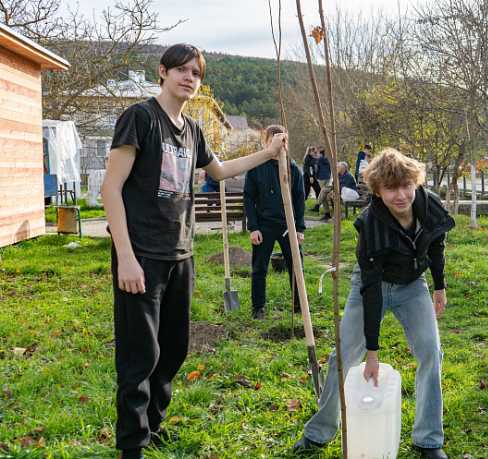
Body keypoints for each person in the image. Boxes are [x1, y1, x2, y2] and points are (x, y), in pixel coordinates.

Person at [101, 43, 286, 459]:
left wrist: (268, 154)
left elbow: (219, 171)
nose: (189, 78)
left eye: (196, 73)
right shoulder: (140, 118)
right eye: (181, 70)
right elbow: (110, 188)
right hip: (141, 254)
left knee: (174, 347)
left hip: (179, 253)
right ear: (162, 73)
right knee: (140, 354)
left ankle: (153, 425)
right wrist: (125, 257)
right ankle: (132, 445)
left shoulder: (192, 129)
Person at [293, 148, 455, 459]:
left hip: (412, 285)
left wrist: (439, 286)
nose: (401, 195)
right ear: (378, 191)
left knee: (431, 351)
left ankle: (429, 440)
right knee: (341, 357)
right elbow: (371, 289)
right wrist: (372, 351)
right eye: (391, 188)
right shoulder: (370, 225)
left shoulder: (428, 204)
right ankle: (319, 432)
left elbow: (436, 243)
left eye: (406, 185)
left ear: (416, 182)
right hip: (372, 286)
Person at [244, 125, 306, 319]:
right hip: (264, 225)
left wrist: (299, 227)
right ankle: (258, 308)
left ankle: (299, 305)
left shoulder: (292, 167)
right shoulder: (256, 167)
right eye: (274, 140)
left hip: (288, 226)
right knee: (259, 268)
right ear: (267, 141)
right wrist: (253, 227)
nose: (279, 144)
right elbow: (248, 198)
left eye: (282, 140)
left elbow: (299, 198)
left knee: (296, 267)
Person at [311, 147, 332, 212]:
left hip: (321, 178)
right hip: (327, 177)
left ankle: (318, 206)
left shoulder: (319, 160)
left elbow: (317, 169)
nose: (317, 154)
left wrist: (316, 177)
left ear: (320, 154)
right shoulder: (327, 160)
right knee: (324, 194)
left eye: (317, 153)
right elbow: (329, 169)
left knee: (323, 193)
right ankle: (326, 212)